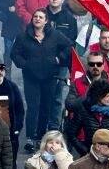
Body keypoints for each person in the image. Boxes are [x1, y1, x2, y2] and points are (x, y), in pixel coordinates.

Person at [12, 9, 68, 151]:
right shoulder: (23, 36)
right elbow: (15, 53)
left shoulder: (55, 35)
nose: (37, 19)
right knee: (33, 107)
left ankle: (41, 136)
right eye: (35, 16)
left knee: (46, 107)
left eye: (41, 17)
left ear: (46, 20)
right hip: (31, 77)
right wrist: (25, 64)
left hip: (49, 77)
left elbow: (69, 46)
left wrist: (58, 58)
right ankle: (30, 137)